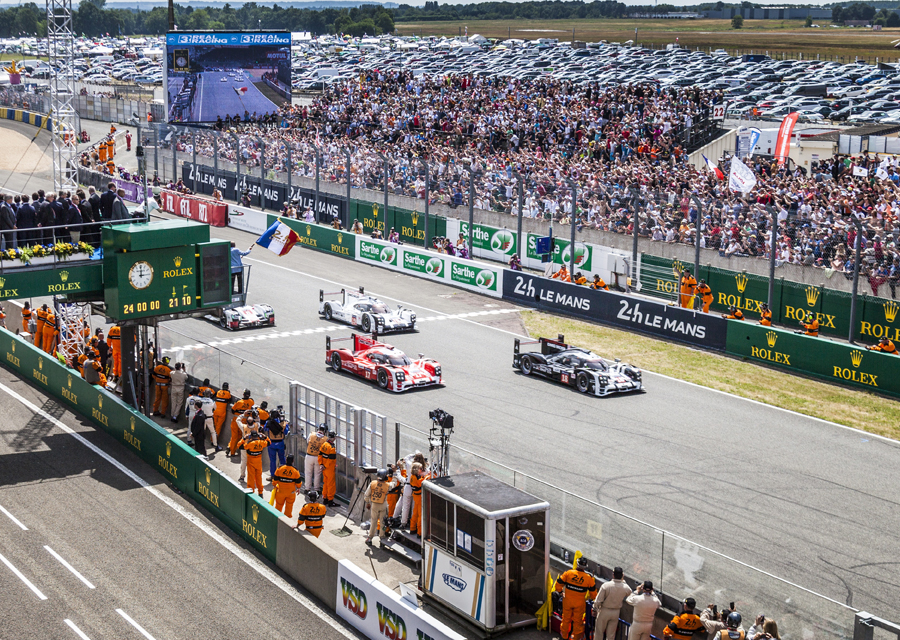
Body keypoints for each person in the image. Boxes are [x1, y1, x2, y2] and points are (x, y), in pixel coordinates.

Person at [554, 556, 598, 640]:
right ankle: (576, 638)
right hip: (579, 603)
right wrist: (592, 599)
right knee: (578, 622)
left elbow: (558, 584)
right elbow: (594, 594)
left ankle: (564, 636)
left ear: (577, 564)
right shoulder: (589, 578)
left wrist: (560, 592)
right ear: (585, 566)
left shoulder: (568, 573)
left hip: (567, 601)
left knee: (566, 619)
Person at [593, 567, 632, 640]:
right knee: (611, 636)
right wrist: (622, 581)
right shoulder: (624, 587)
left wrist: (595, 609)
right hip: (616, 612)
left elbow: (598, 600)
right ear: (622, 575)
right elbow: (629, 591)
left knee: (599, 633)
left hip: (604, 610)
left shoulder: (606, 585)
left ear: (613, 574)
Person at [365, 468, 397, 544]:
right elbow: (394, 483)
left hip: (374, 505)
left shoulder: (372, 483)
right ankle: (382, 537)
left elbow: (366, 495)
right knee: (383, 522)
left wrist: (368, 503)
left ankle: (370, 538)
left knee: (373, 521)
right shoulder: (387, 485)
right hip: (383, 505)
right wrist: (395, 473)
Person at [237, 424, 270, 497]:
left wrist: (243, 438)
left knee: (251, 478)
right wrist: (265, 436)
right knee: (259, 477)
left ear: (251, 436)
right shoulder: (261, 443)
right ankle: (260, 492)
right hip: (258, 462)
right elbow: (269, 442)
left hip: (251, 462)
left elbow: (239, 446)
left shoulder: (249, 444)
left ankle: (251, 492)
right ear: (257, 436)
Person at [228, 389, 255, 457]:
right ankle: (235, 448)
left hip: (236, 421)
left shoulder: (239, 402)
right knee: (240, 436)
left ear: (243, 394)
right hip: (244, 422)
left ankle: (232, 451)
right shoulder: (251, 402)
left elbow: (232, 410)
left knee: (234, 437)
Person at [264, 408, 288, 481]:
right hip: (280, 443)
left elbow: (265, 429)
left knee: (272, 460)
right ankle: (283, 475)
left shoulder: (268, 422)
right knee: (282, 459)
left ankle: (273, 476)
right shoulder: (283, 423)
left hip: (271, 443)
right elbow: (286, 432)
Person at [305, 424, 327, 494]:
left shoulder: (311, 434)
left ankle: (307, 488)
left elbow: (308, 441)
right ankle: (316, 489)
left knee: (308, 473)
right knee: (317, 474)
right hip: (318, 457)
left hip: (309, 456)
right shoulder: (325, 439)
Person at [409, 461, 429, 536]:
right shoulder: (416, 479)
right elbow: (423, 482)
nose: (422, 469)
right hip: (419, 497)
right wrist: (427, 475)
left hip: (416, 496)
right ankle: (419, 533)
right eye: (420, 468)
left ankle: (412, 528)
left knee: (415, 513)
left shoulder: (412, 477)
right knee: (420, 515)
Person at [318, 430, 337, 507]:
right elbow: (331, 459)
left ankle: (325, 498)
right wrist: (325, 466)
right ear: (333, 438)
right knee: (331, 484)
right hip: (329, 468)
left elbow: (320, 455)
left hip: (324, 468)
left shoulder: (324, 444)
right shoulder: (332, 447)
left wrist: (321, 465)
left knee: (325, 484)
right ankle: (330, 500)